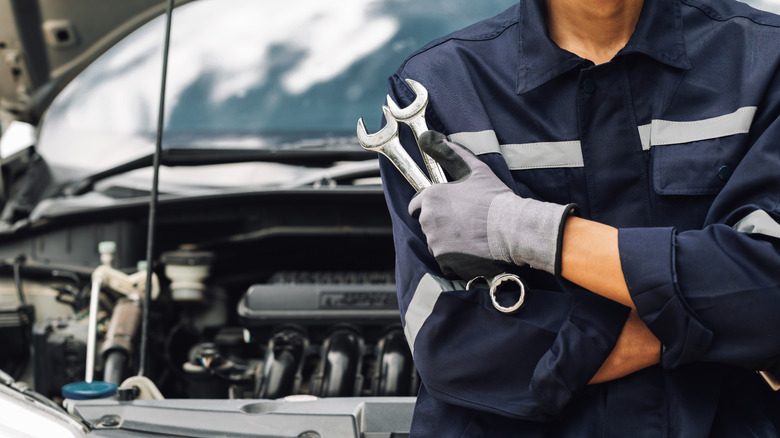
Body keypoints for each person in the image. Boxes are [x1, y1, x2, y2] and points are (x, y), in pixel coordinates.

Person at [378, 0, 780, 436]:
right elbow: (453, 343)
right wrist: (713, 320)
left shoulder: (766, 61)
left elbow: (771, 292)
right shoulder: (441, 89)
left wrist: (519, 227)